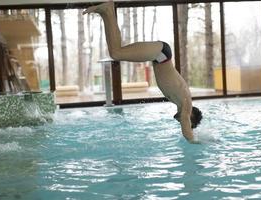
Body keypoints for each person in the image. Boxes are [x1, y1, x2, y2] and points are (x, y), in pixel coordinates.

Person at [82, 1, 202, 143]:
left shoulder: (181, 103)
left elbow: (184, 121)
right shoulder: (186, 104)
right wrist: (195, 142)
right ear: (191, 116)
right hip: (161, 55)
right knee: (116, 53)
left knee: (116, 52)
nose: (182, 122)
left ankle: (105, 13)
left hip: (160, 56)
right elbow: (185, 125)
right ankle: (108, 10)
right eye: (189, 122)